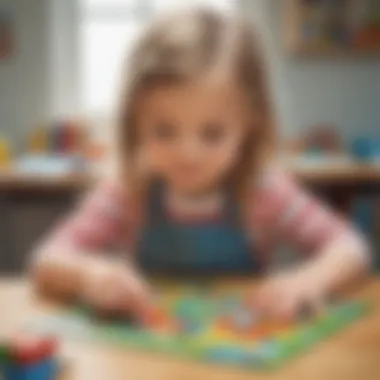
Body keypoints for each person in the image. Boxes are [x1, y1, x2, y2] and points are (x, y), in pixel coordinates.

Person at [31, 8, 369, 319]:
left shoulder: (263, 191)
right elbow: (46, 260)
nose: (187, 154)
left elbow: (351, 248)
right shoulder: (128, 190)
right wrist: (91, 276)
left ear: (250, 125)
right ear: (135, 122)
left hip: (244, 356)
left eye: (212, 133)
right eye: (164, 131)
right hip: (149, 358)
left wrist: (306, 282)